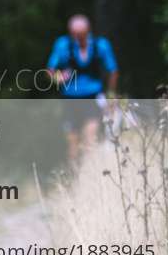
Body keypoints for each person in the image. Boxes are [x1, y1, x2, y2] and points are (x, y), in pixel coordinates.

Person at [46, 14, 118, 169]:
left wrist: (111, 94)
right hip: (70, 99)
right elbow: (50, 71)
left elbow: (113, 70)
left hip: (92, 97)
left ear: (88, 31)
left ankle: (90, 173)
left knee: (90, 139)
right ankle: (74, 175)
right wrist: (58, 78)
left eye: (80, 34)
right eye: (74, 34)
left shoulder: (101, 45)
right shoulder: (63, 45)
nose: (77, 37)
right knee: (72, 143)